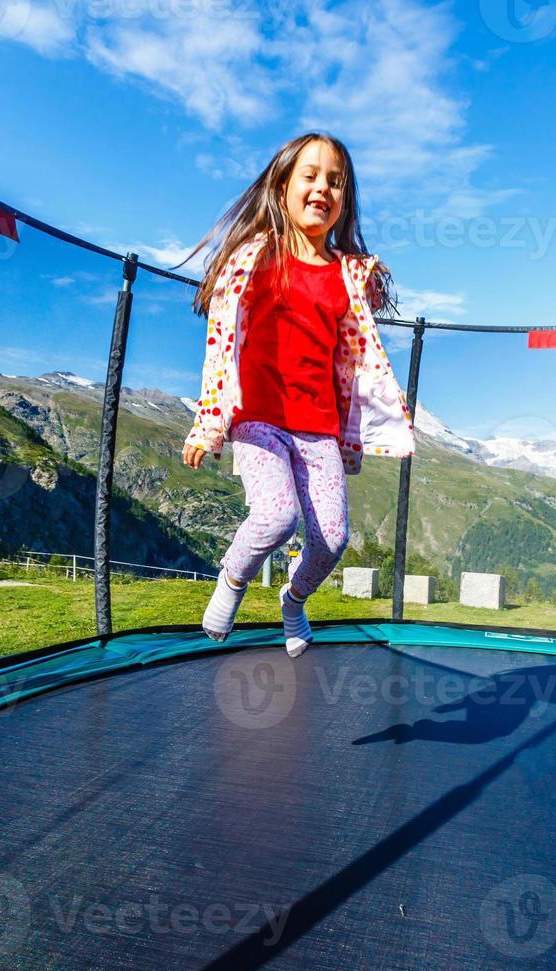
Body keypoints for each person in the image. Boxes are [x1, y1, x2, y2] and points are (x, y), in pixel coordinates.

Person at [181, 132, 415, 656]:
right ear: (283, 186)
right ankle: (232, 582)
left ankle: (293, 598)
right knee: (275, 516)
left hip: (318, 428)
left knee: (332, 541)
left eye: (335, 181)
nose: (322, 188)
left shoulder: (348, 276)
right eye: (309, 176)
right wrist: (209, 422)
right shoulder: (252, 257)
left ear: (344, 200)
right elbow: (220, 344)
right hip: (258, 418)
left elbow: (355, 360)